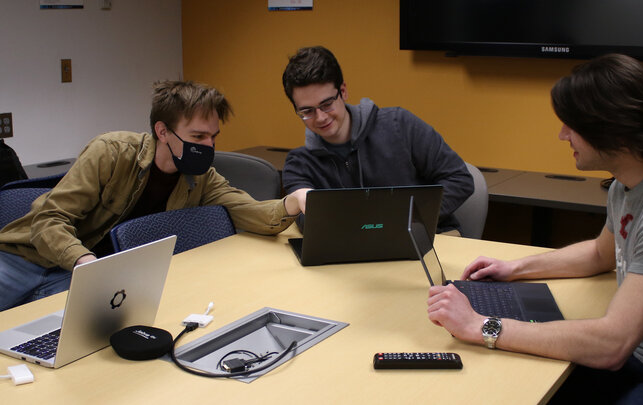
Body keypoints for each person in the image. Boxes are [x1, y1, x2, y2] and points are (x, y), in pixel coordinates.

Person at [427, 54, 643, 404]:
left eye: (572, 125)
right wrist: (516, 268)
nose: (562, 135)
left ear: (612, 127)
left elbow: (612, 344)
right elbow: (600, 253)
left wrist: (481, 325)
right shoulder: (628, 183)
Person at [0, 80, 303, 311]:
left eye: (213, 137)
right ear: (162, 131)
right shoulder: (111, 152)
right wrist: (86, 263)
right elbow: (48, 220)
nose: (208, 146)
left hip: (77, 278)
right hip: (23, 258)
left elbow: (254, 214)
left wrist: (293, 200)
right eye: (198, 137)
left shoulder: (200, 178)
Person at [280, 46, 474, 233]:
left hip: (427, 238)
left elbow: (459, 180)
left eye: (327, 104)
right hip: (355, 252)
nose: (321, 117)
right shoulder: (299, 164)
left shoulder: (400, 125)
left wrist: (403, 219)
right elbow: (308, 224)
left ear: (343, 91)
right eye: (307, 111)